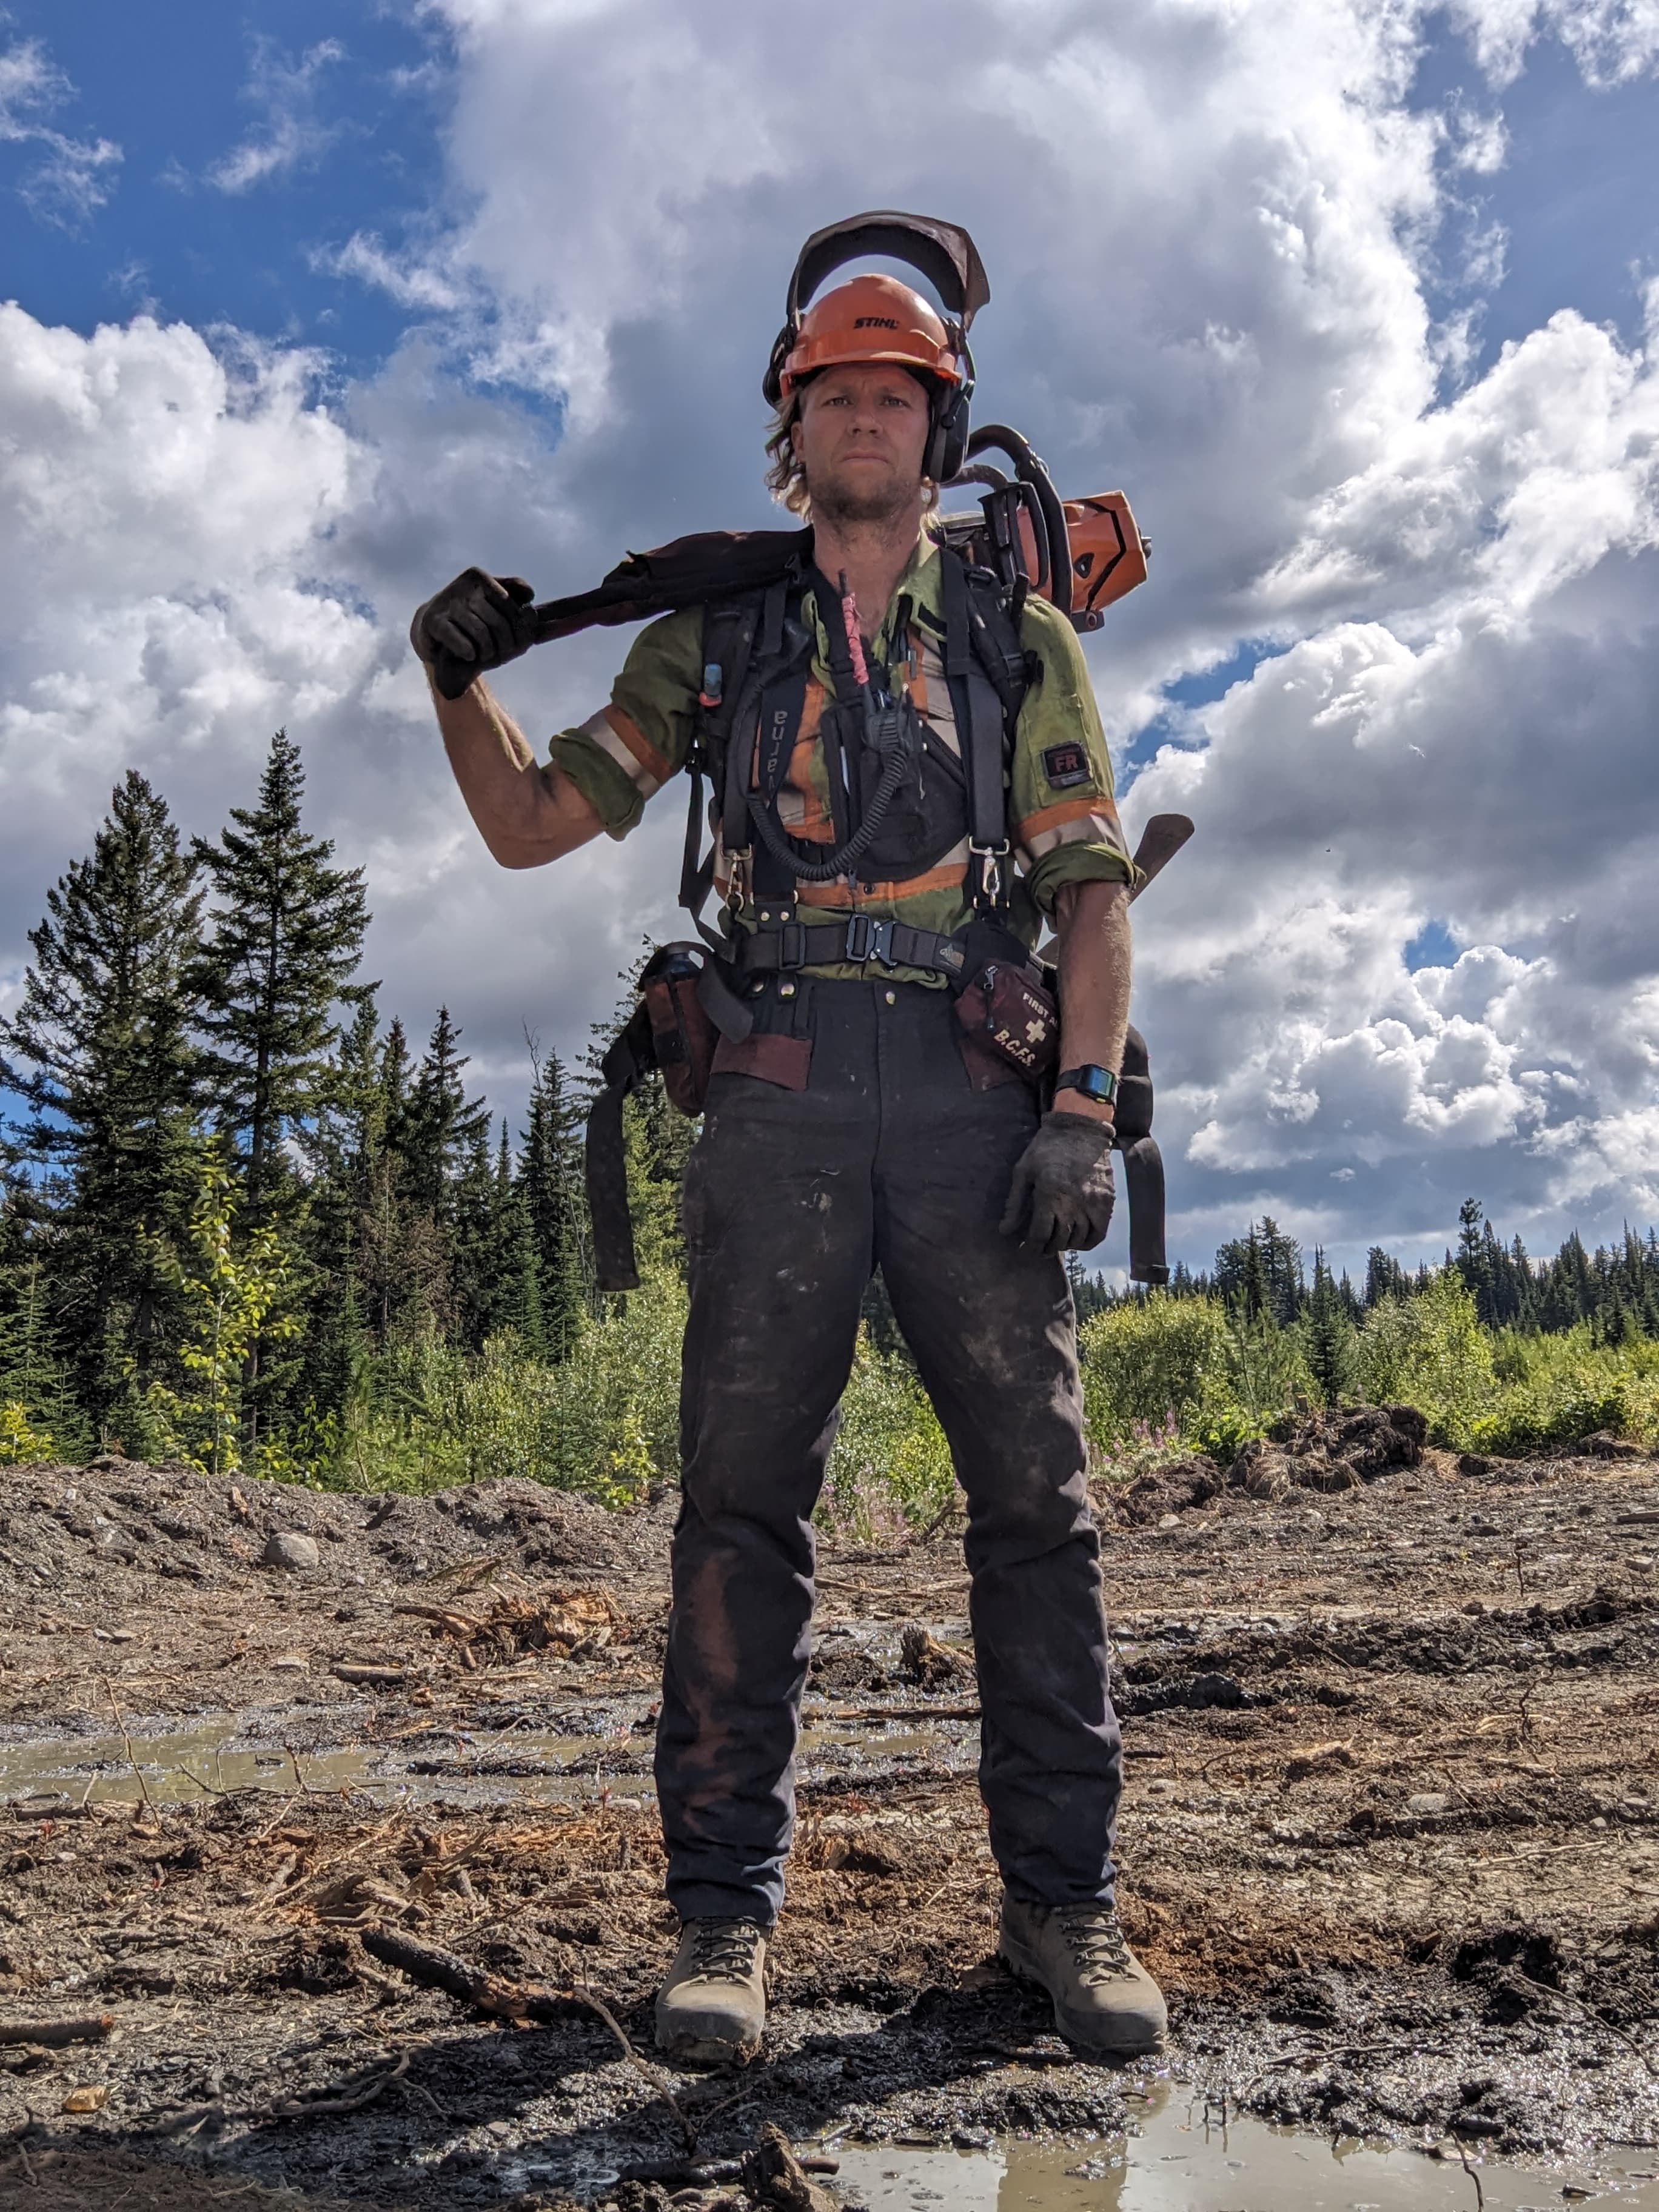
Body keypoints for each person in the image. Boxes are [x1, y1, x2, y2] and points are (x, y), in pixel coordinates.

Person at [410, 234, 1167, 2067]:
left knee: (1039, 1517)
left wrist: (1079, 1109)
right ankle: (720, 1933)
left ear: (937, 422)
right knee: (742, 1517)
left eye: (891, 392)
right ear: (789, 425)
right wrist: (457, 679)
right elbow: (527, 824)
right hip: (775, 1094)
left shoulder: (1017, 632)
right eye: (831, 391)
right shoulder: (713, 636)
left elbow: (1088, 892)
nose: (860, 415)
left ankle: (1065, 1913)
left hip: (976, 1102)